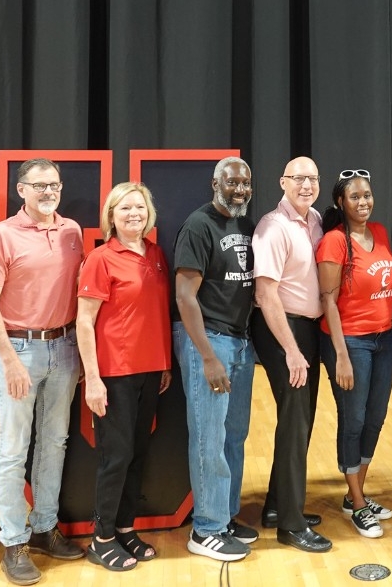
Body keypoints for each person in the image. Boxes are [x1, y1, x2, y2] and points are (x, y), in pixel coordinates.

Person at [0, 158, 85, 585]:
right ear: (20, 190)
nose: (47, 191)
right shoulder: (2, 235)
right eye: (38, 185)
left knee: (54, 442)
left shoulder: (72, 231)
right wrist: (8, 358)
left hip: (63, 347)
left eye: (53, 184)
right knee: (12, 450)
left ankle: (43, 527)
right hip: (19, 349)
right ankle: (14, 542)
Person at [77, 182, 172, 571]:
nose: (134, 214)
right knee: (114, 457)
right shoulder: (101, 258)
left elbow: (155, 312)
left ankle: (125, 528)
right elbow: (85, 321)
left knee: (137, 454)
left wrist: (164, 363)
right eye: (125, 208)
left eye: (140, 207)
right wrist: (93, 378)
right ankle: (101, 539)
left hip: (151, 370)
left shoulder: (156, 254)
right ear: (111, 216)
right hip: (114, 373)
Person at [174, 157, 259, 562]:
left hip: (240, 342)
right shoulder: (198, 225)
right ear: (215, 183)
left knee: (234, 435)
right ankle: (205, 528)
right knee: (209, 437)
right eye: (232, 182)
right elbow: (185, 296)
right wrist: (207, 357)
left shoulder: (246, 224)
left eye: (245, 182)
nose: (240, 188)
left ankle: (224, 516)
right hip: (208, 341)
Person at [252, 156, 331, 553]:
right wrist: (292, 351)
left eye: (313, 178)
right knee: (295, 421)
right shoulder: (272, 227)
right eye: (299, 178)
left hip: (308, 329)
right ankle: (291, 525)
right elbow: (265, 294)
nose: (306, 185)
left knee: (298, 420)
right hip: (282, 329)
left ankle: (275, 506)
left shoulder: (316, 219)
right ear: (283, 181)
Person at [317, 169, 392, 539]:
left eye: (367, 195)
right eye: (355, 197)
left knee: (376, 418)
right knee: (353, 419)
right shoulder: (334, 242)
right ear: (341, 202)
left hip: (383, 341)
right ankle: (356, 501)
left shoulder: (379, 233)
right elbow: (328, 301)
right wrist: (341, 355)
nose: (363, 201)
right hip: (351, 342)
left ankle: (357, 495)